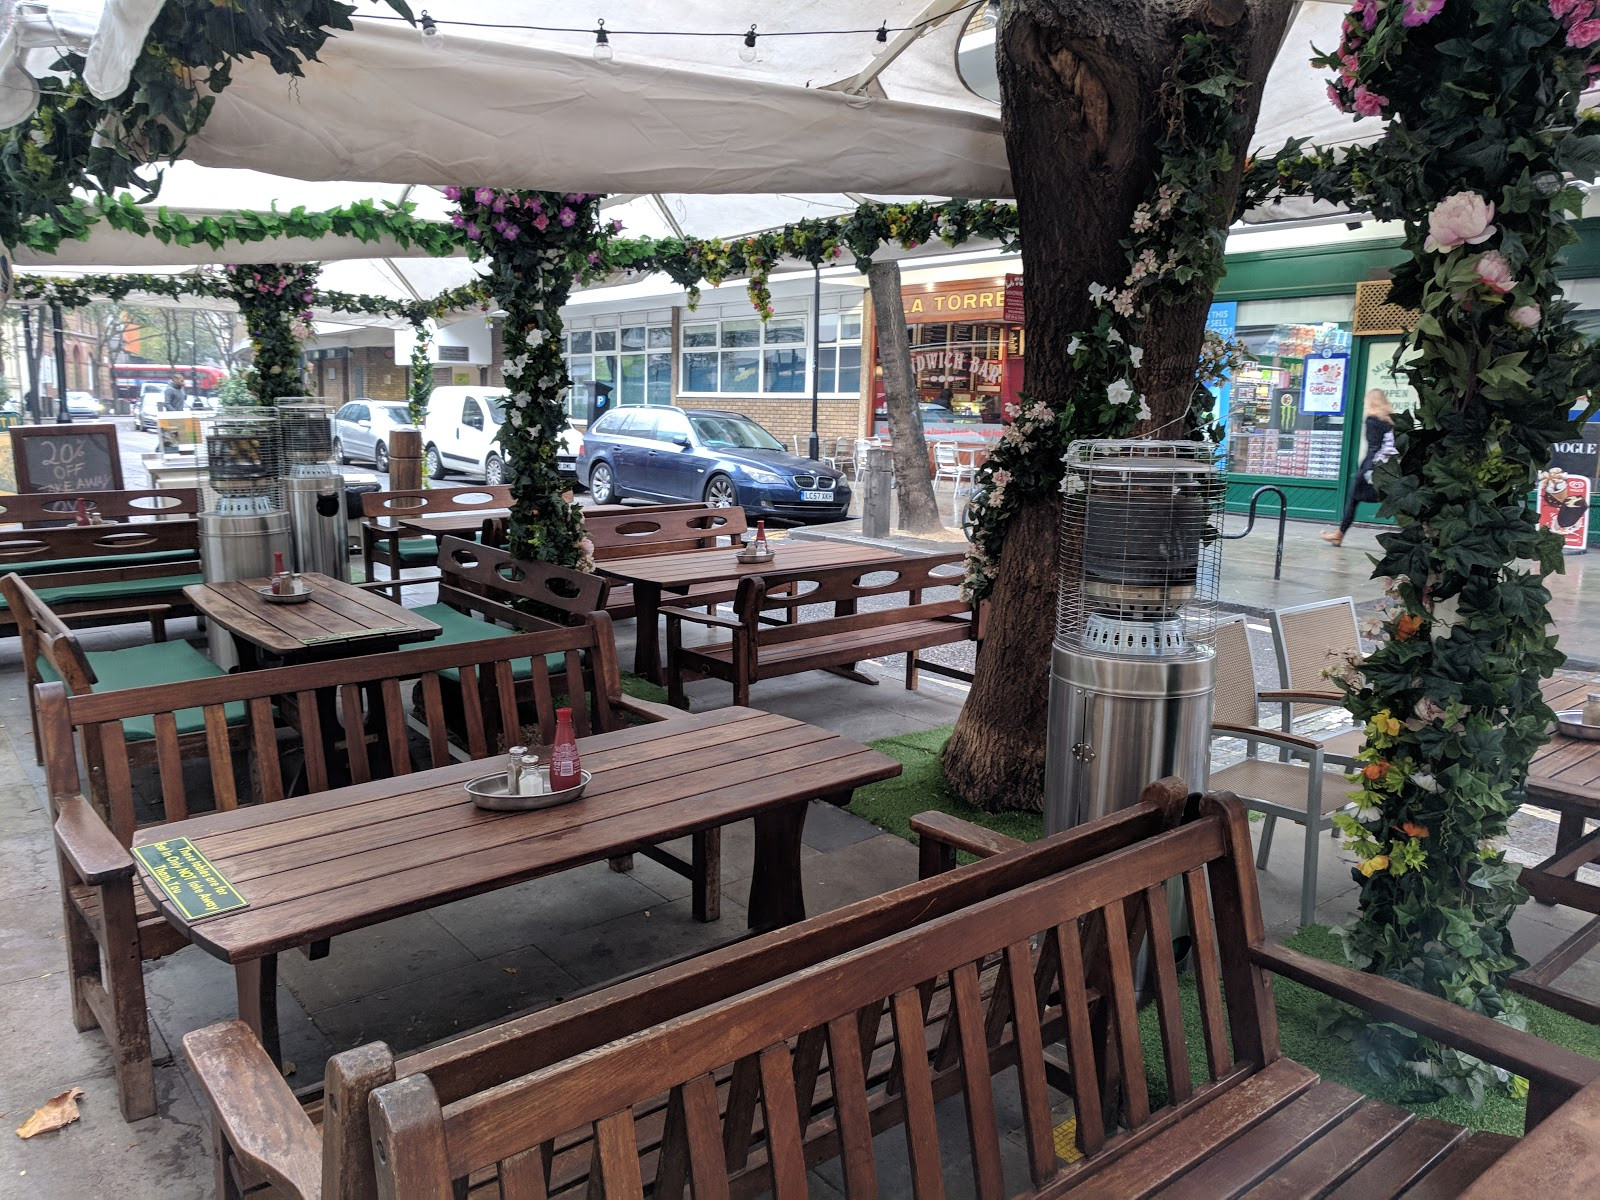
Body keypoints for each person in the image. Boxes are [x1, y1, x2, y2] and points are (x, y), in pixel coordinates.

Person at [1323, 388, 1396, 546]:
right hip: (1387, 467)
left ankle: (1339, 534)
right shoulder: (1389, 421)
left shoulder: (1372, 420)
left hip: (1372, 466)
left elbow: (1374, 447)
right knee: (1392, 499)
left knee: (1353, 498)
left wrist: (1367, 469)